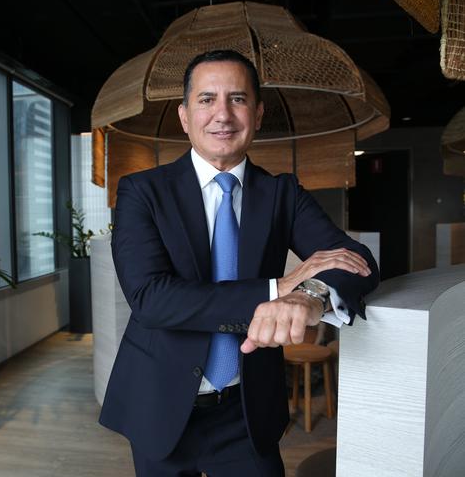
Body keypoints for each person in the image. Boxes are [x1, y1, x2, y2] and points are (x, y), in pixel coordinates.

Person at [99, 49, 379, 477]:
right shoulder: (142, 191)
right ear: (184, 116)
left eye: (238, 99)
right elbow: (152, 300)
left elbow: (356, 261)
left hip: (245, 412)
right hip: (160, 402)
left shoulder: (282, 195)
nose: (223, 115)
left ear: (259, 113)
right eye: (207, 99)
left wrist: (310, 296)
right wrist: (277, 288)